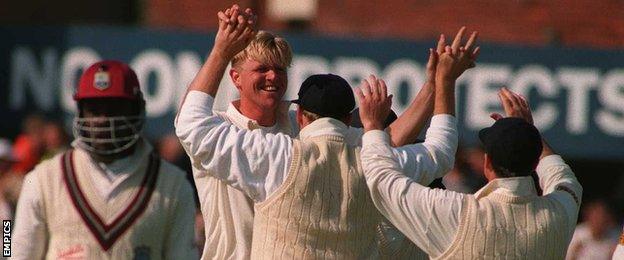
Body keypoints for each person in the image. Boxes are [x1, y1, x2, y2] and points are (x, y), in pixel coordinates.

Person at [182, 4, 444, 259]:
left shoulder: (303, 127)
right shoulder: (219, 128)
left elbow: (383, 147)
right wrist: (221, 51)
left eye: (280, 68)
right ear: (235, 78)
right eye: (262, 69)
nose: (273, 76)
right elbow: (188, 120)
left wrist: (434, 86)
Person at [360, 74, 583, 260]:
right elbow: (560, 175)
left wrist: (371, 124)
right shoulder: (559, 213)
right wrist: (526, 131)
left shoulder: (458, 213)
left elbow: (381, 179)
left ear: (487, 164)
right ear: (534, 163)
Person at [12, 60, 198, 259]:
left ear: (136, 110)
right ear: (81, 112)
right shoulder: (43, 179)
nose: (102, 119)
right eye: (94, 109)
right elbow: (14, 251)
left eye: (114, 108)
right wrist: (3, 241)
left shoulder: (174, 185)